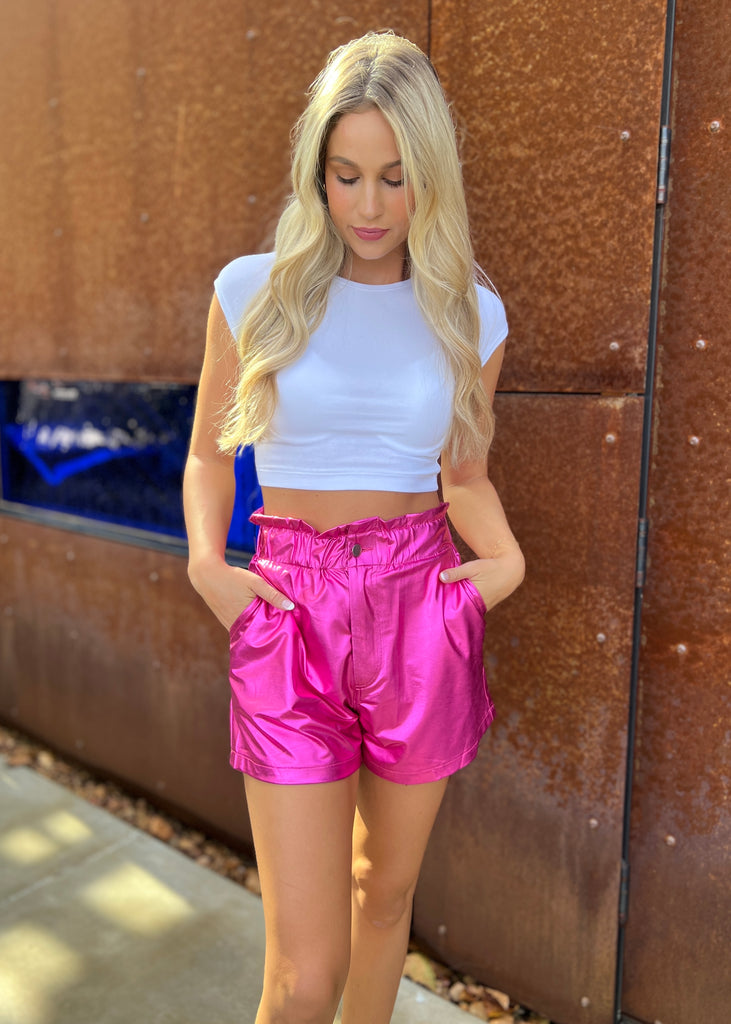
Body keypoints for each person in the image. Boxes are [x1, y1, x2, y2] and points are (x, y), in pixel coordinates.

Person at [183, 30, 524, 1024]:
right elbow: (208, 455)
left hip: (421, 606)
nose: (368, 207)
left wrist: (503, 559)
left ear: (429, 177)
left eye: (394, 178)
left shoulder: (470, 314)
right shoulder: (250, 291)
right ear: (316, 171)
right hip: (287, 609)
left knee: (384, 899)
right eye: (345, 175)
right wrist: (207, 564)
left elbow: (463, 474)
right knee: (302, 974)